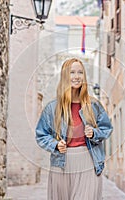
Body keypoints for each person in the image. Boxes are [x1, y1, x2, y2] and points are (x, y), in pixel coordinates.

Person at [35, 58, 113, 200]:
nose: (76, 76)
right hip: (61, 163)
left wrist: (94, 133)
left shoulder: (94, 105)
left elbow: (107, 128)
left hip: (88, 160)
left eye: (80, 72)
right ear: (65, 76)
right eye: (72, 72)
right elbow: (41, 134)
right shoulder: (52, 107)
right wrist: (55, 144)